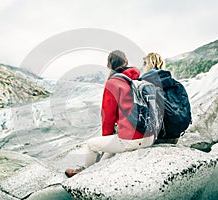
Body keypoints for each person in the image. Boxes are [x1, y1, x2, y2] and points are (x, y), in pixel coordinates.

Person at [65, 50, 155, 178]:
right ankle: (98, 169)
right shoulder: (138, 78)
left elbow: (108, 118)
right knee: (111, 148)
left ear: (109, 65)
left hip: (134, 139)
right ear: (126, 62)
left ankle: (86, 176)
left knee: (91, 145)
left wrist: (106, 137)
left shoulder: (113, 83)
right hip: (150, 136)